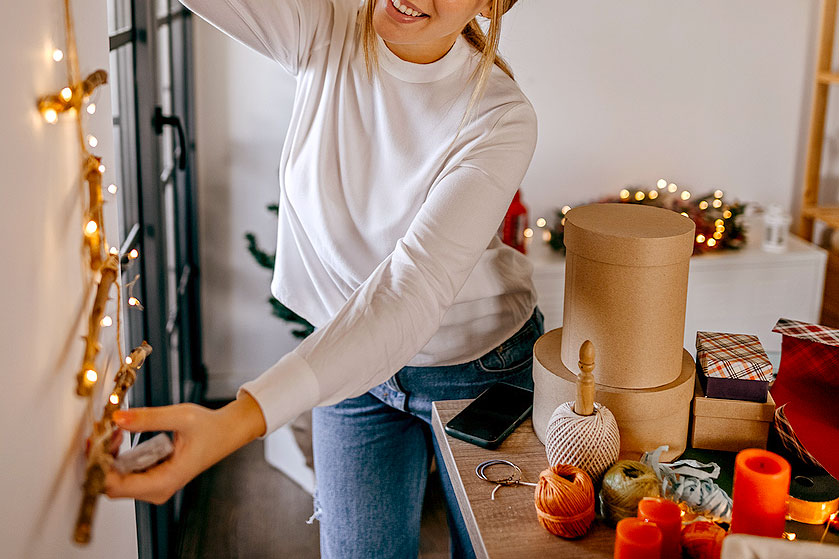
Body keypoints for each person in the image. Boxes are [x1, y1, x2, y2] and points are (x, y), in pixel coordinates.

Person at [106, 0, 542, 557]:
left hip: (479, 370)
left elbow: (411, 290)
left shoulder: (500, 117)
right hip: (348, 366)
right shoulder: (324, 24)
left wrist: (238, 419)